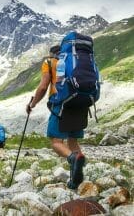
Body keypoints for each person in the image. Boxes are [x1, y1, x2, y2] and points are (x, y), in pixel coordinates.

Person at [26, 45, 86, 189]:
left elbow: (43, 87)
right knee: (73, 141)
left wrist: (32, 104)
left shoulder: (50, 62)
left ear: (51, 54)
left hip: (61, 103)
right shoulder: (76, 61)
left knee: (56, 141)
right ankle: (75, 180)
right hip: (80, 103)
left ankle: (74, 158)